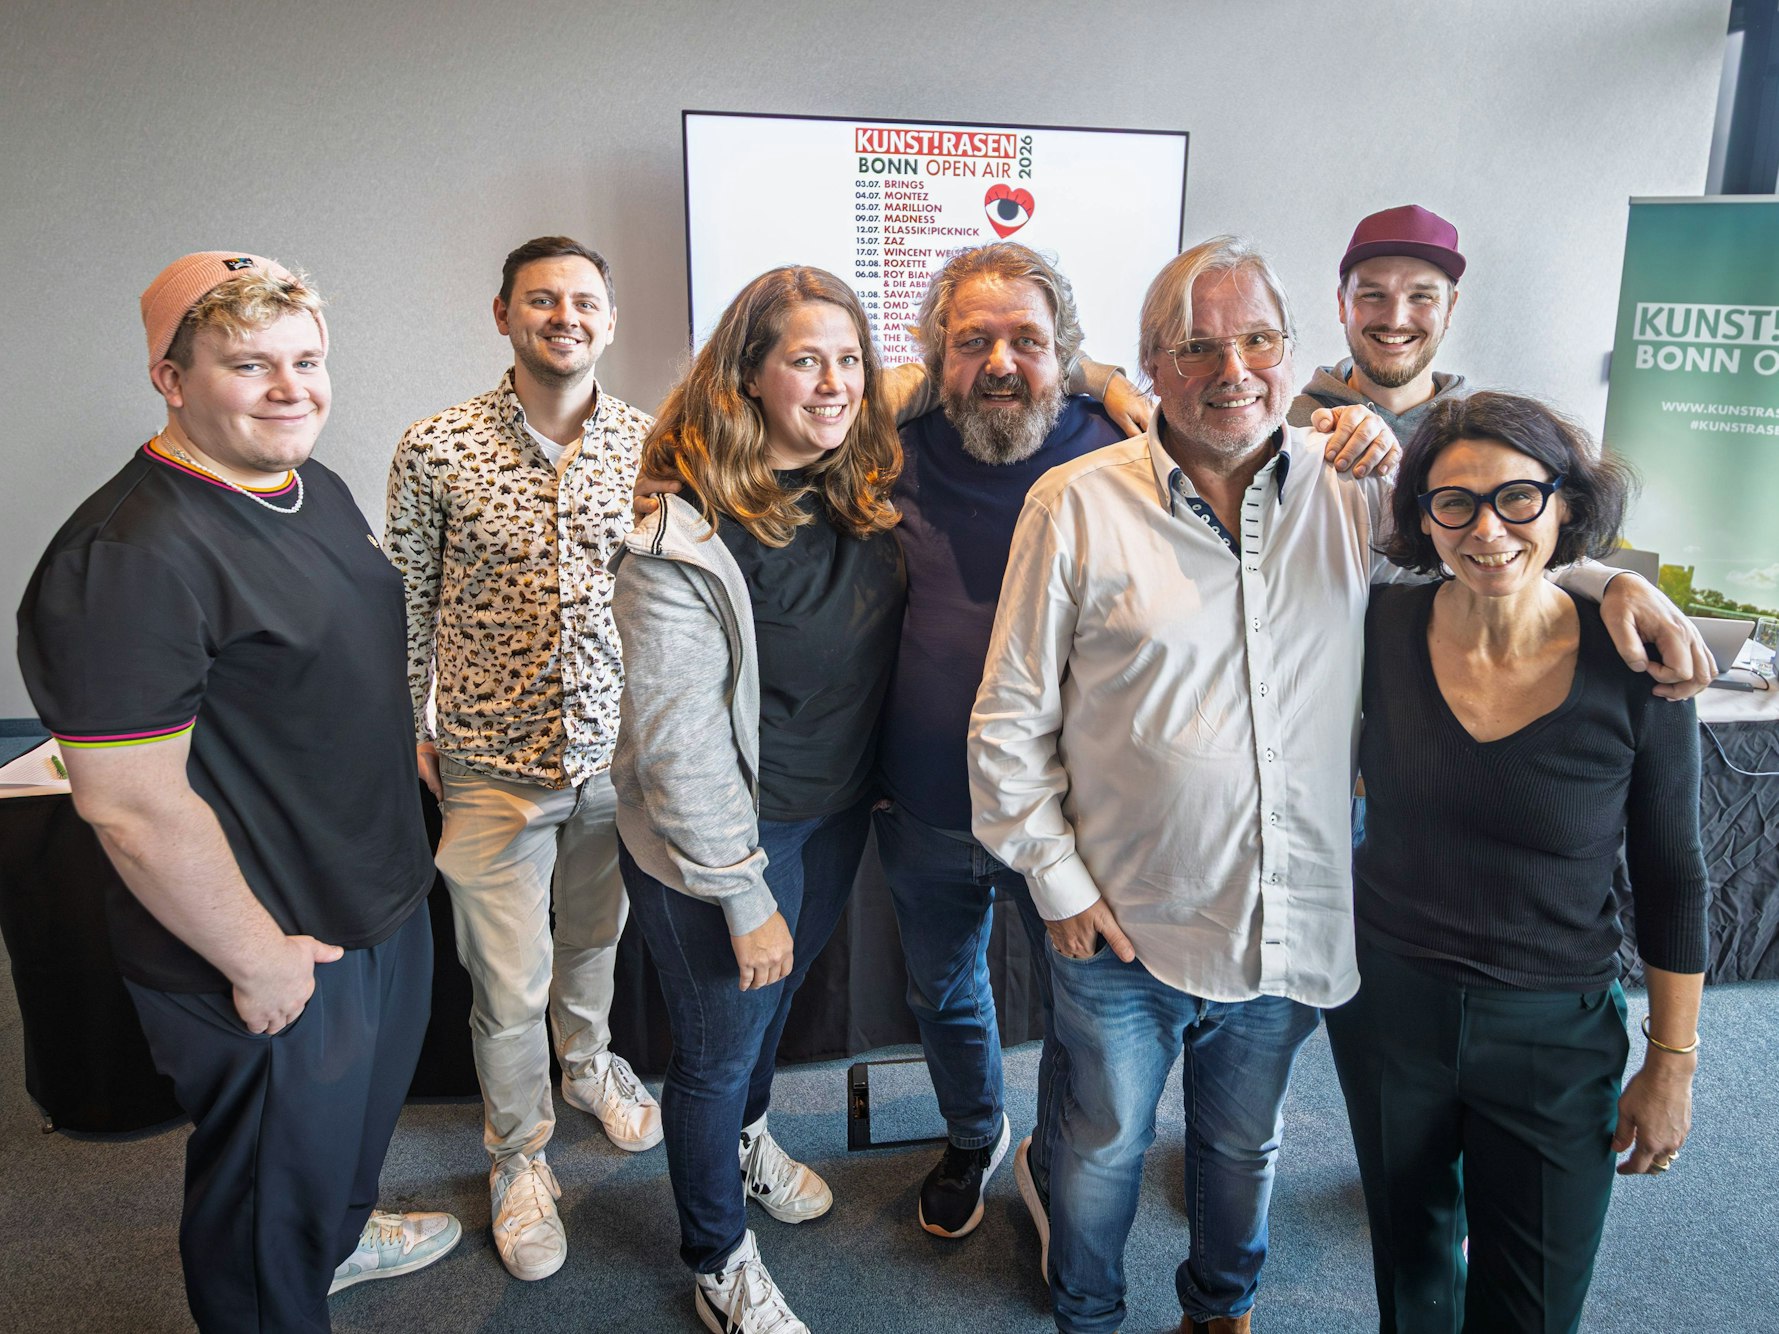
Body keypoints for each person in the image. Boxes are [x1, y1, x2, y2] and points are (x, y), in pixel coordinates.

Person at [968, 236, 1713, 1334]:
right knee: (1100, 1144)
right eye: (1199, 345)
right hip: (1124, 919)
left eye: (1260, 339)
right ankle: (1086, 1310)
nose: (1235, 369)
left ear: (1294, 349)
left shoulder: (1353, 486)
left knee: (1243, 1144)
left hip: (1289, 921)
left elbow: (1487, 542)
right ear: (1150, 364)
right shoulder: (1074, 504)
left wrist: (1608, 583)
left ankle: (1220, 1309)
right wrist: (1057, 879)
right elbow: (1007, 719)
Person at [881, 242, 1400, 1260]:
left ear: (1072, 358)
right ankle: (974, 1139)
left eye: (1027, 341)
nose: (999, 361)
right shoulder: (895, 444)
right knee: (967, 1007)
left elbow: (1504, 546)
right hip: (949, 808)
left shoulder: (1159, 446)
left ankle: (1087, 1197)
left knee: (1136, 1086)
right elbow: (766, 419)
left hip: (1161, 855)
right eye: (971, 340)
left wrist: (1611, 586)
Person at [16, 253, 459, 1332]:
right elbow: (129, 804)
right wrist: (255, 958)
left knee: (342, 1150)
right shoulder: (128, 554)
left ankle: (336, 1245)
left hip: (376, 899)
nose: (289, 387)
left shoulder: (314, 482)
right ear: (170, 378)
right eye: (247, 364)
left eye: (305, 360)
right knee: (267, 1198)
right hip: (264, 942)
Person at [1324, 392, 1707, 1333]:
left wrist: (1672, 1064)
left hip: (1553, 1028)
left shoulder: (1637, 667)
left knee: (1530, 1308)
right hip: (1388, 1010)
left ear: (1566, 505)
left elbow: (1674, 878)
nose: (1486, 529)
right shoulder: (1373, 629)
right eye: (1453, 503)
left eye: (1517, 499)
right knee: (1409, 1282)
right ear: (1423, 517)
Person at [610, 266, 906, 1334]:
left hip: (830, 820)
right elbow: (679, 747)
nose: (834, 382)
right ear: (748, 374)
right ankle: (716, 1255)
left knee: (770, 1014)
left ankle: (745, 1137)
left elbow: (936, 378)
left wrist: (1110, 380)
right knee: (716, 1049)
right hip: (725, 844)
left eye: (849, 358)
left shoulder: (853, 476)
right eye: (803, 359)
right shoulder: (681, 535)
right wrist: (741, 892)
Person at [384, 236, 659, 1281]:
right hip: (490, 766)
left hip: (612, 763)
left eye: (584, 299)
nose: (565, 316)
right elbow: (407, 596)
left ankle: (588, 1063)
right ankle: (519, 1158)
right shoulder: (437, 447)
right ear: (502, 313)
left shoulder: (649, 444)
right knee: (507, 980)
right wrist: (410, 721)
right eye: (541, 299)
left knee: (594, 945)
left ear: (610, 318)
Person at [1288, 204, 1468, 440]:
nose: (1395, 320)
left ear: (1450, 308)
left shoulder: (1494, 434)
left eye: (1421, 297)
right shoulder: (1284, 431)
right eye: (1373, 295)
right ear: (1342, 303)